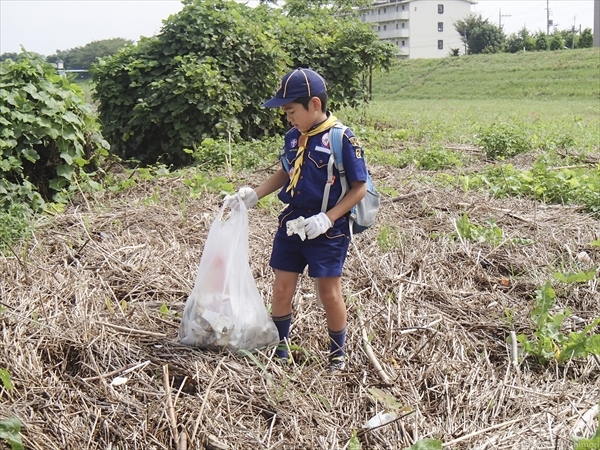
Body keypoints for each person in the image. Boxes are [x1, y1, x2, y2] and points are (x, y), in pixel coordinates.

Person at [228, 67, 368, 373]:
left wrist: (328, 220)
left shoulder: (341, 139)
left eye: (291, 110)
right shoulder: (294, 137)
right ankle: (281, 348)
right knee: (281, 288)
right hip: (292, 223)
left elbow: (360, 188)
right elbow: (286, 171)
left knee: (328, 292)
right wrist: (254, 195)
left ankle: (337, 352)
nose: (288, 118)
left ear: (314, 104)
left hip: (328, 232)